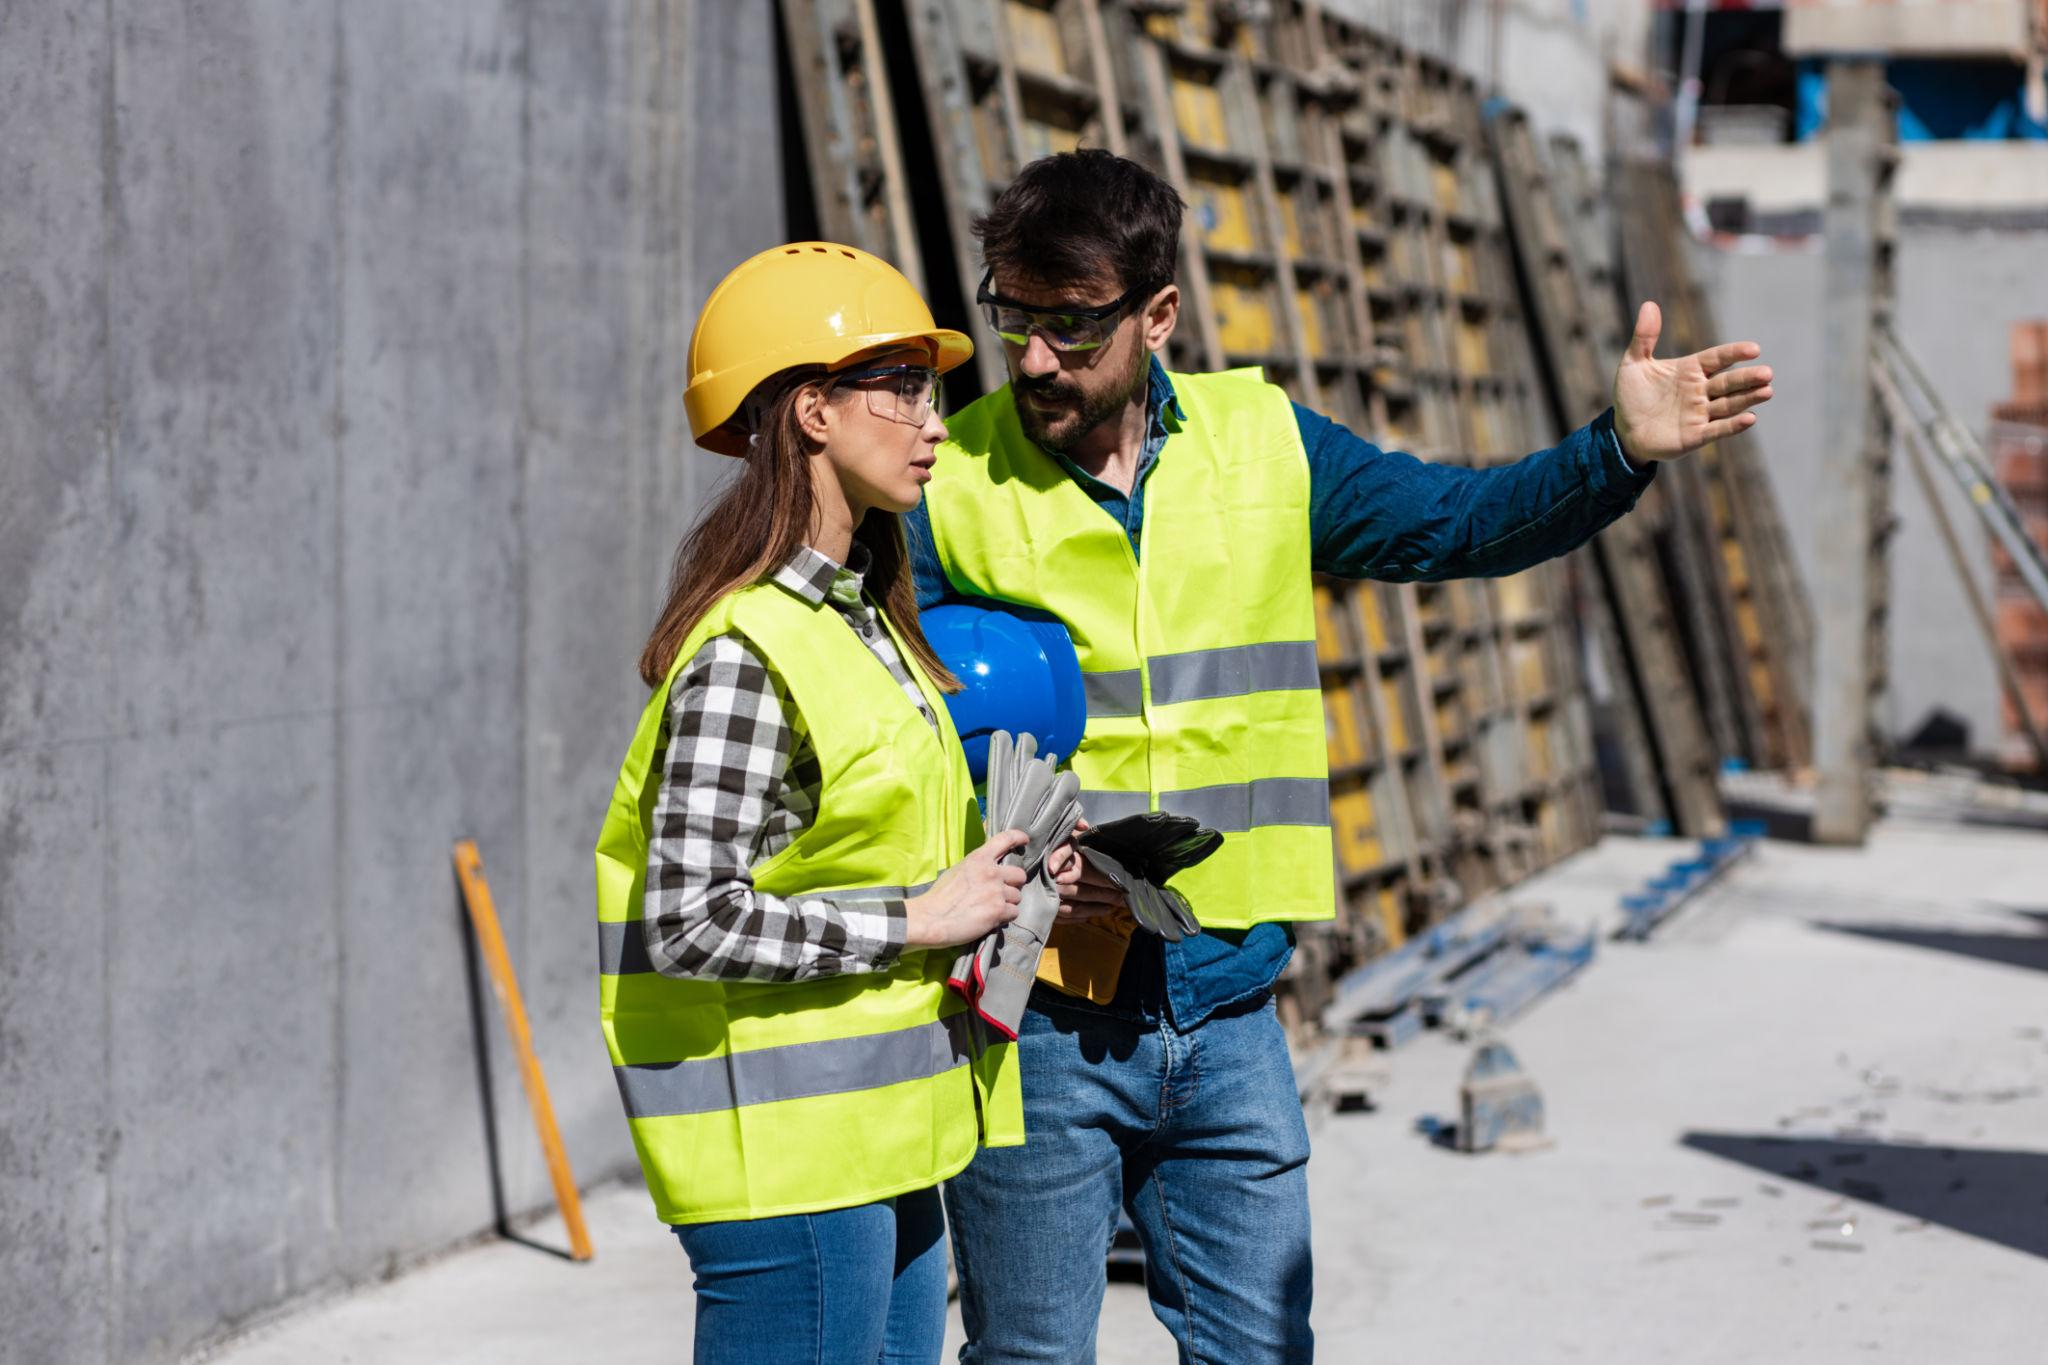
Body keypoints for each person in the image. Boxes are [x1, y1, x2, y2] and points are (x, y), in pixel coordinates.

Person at [911, 150, 1776, 1362]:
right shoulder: (944, 482)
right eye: (1013, 318)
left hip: (1229, 1016)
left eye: (1071, 324)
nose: (1037, 357)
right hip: (1040, 1020)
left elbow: (1454, 522)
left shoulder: (1263, 444)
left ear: (1159, 312)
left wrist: (1611, 453)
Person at [593, 242, 1078, 1365]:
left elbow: (869, 853)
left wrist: (1003, 886)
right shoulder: (743, 649)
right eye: (902, 386)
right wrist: (918, 919)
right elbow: (686, 918)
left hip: (883, 1137)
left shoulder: (863, 624)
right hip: (788, 1165)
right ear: (811, 410)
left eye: (934, 388)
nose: (936, 423)